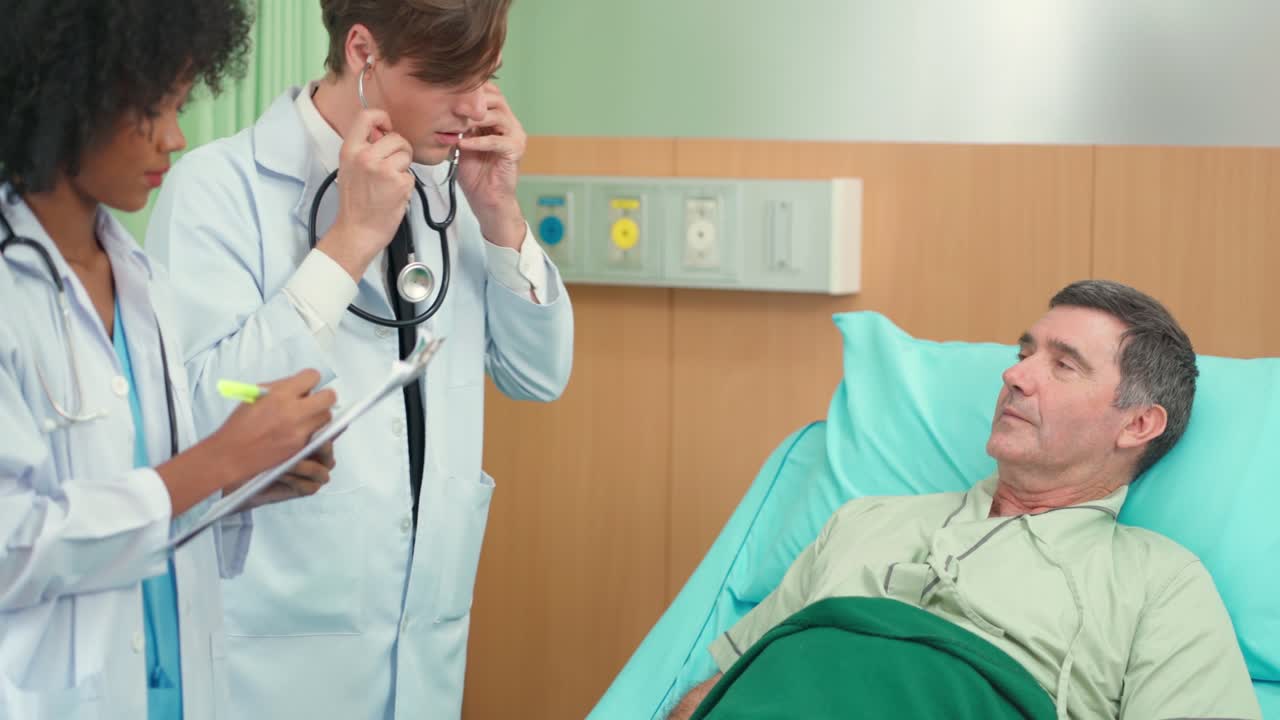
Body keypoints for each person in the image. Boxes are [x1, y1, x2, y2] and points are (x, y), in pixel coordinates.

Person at [144, 0, 574, 717]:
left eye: (487, 78)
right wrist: (349, 242)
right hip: (271, 668)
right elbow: (203, 417)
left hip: (424, 662)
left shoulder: (456, 187)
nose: (472, 109)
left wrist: (500, 216)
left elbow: (539, 375)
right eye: (446, 80)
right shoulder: (221, 190)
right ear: (363, 51)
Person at [670, 280, 1260, 720]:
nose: (1017, 375)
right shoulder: (863, 521)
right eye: (1024, 352)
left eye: (1063, 365)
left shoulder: (1159, 582)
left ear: (1137, 424)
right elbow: (720, 688)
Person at [0, 2, 340, 718]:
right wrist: (217, 461)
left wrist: (251, 476)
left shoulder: (142, 281)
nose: (176, 138)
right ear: (69, 97)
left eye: (179, 106)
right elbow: (13, 547)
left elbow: (144, 494)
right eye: (153, 110)